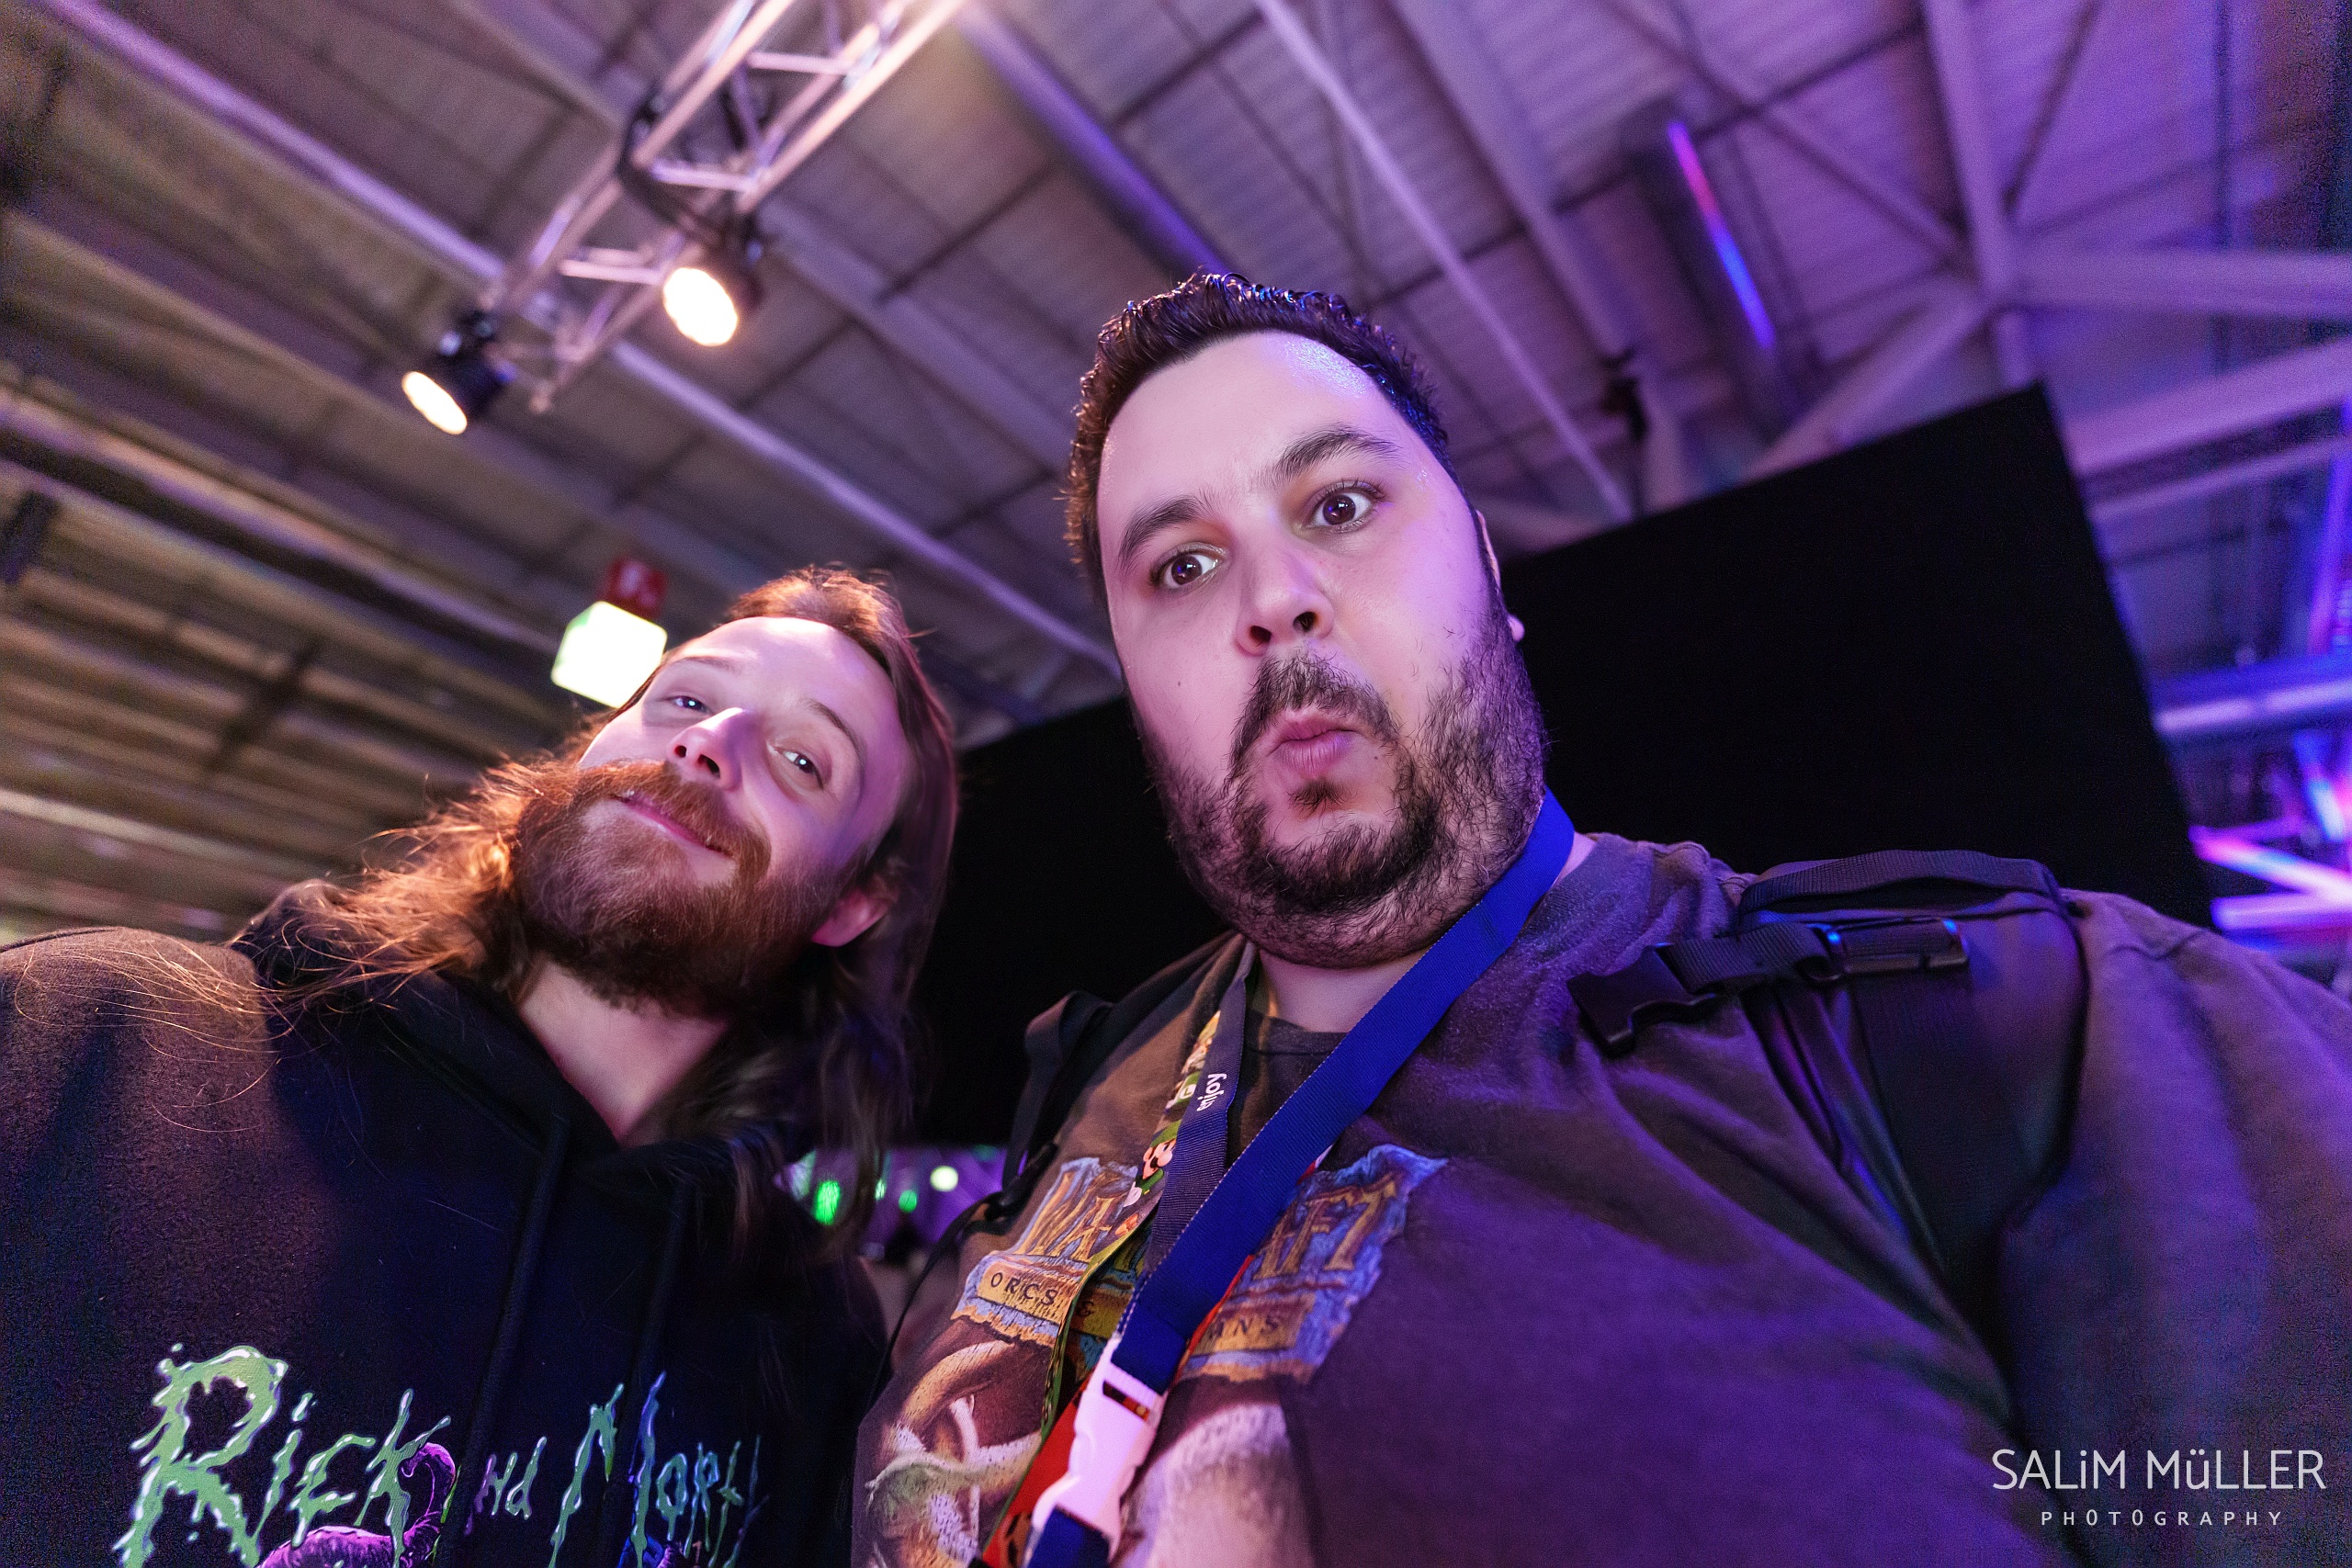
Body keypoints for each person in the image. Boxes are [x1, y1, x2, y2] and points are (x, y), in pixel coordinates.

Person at [854, 276, 2352, 1568]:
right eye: (1181, 565)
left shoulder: (2002, 1025)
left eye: (1340, 505)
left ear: (1491, 573)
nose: (1275, 596)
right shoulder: (1088, 1073)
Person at [1, 567, 957, 1566]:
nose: (708, 741)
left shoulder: (809, 1353)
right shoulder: (85, 1038)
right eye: (683, 698)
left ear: (853, 904)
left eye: (803, 760)